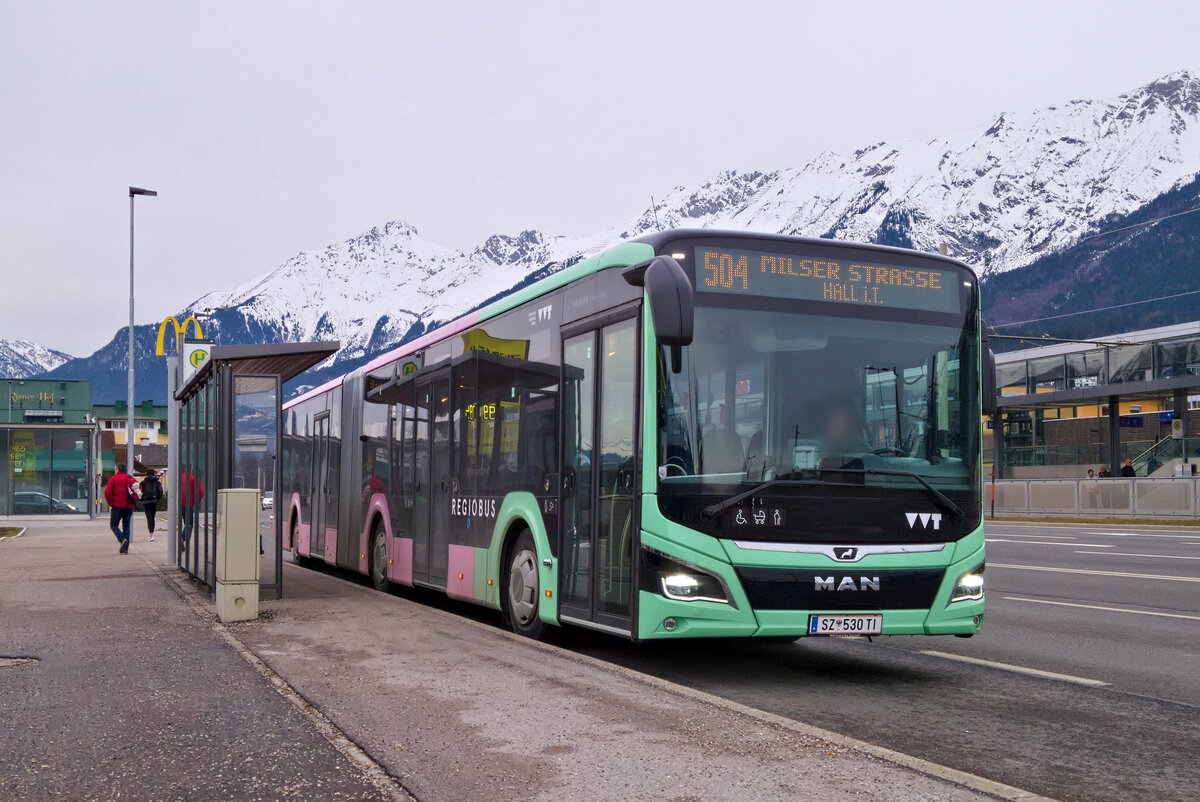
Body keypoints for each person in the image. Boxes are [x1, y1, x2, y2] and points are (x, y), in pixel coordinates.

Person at [104, 463, 139, 554]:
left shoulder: (113, 479)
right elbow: (138, 490)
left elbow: (107, 493)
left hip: (117, 506)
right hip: (129, 506)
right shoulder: (131, 478)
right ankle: (125, 549)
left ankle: (122, 539)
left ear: (118, 470)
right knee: (126, 526)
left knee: (114, 525)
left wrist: (111, 503)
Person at [180, 466, 205, 547]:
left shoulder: (178, 478)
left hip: (178, 504)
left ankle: (180, 539)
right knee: (189, 523)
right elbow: (200, 493)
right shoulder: (193, 479)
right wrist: (197, 502)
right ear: (190, 470)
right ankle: (183, 538)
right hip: (188, 504)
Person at [140, 468, 163, 541]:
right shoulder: (158, 483)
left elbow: (139, 492)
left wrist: (142, 499)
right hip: (154, 501)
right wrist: (157, 499)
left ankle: (151, 534)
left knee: (149, 517)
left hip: (146, 502)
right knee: (153, 517)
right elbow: (161, 492)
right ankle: (152, 534)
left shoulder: (143, 483)